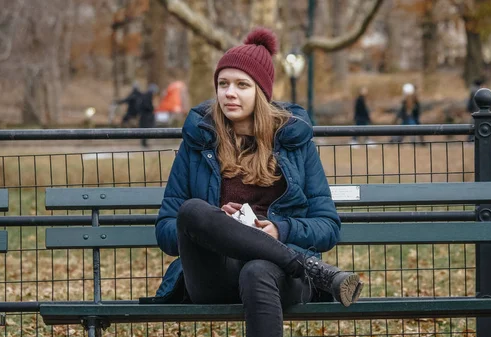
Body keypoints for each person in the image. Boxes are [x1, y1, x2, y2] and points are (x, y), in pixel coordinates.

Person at [149, 28, 363, 337]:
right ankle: (308, 267)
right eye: (223, 84)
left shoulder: (294, 143)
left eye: (241, 85)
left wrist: (280, 230)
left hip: (276, 278)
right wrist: (218, 225)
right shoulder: (199, 141)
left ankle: (293, 265)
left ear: (261, 92)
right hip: (214, 275)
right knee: (193, 210)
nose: (229, 93)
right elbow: (168, 230)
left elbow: (328, 226)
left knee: (257, 270)